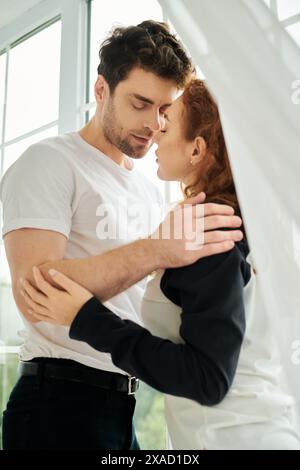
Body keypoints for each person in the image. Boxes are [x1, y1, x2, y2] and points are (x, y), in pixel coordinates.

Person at [0, 22, 242, 451]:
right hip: (57, 403)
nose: (153, 124)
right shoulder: (48, 162)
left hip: (126, 400)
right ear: (100, 89)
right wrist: (156, 250)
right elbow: (34, 295)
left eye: (164, 109)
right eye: (140, 103)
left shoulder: (150, 190)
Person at [22, 79, 300, 450]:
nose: (155, 133)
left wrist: (85, 318)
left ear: (197, 150)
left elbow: (208, 380)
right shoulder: (231, 226)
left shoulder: (209, 236)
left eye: (167, 125)